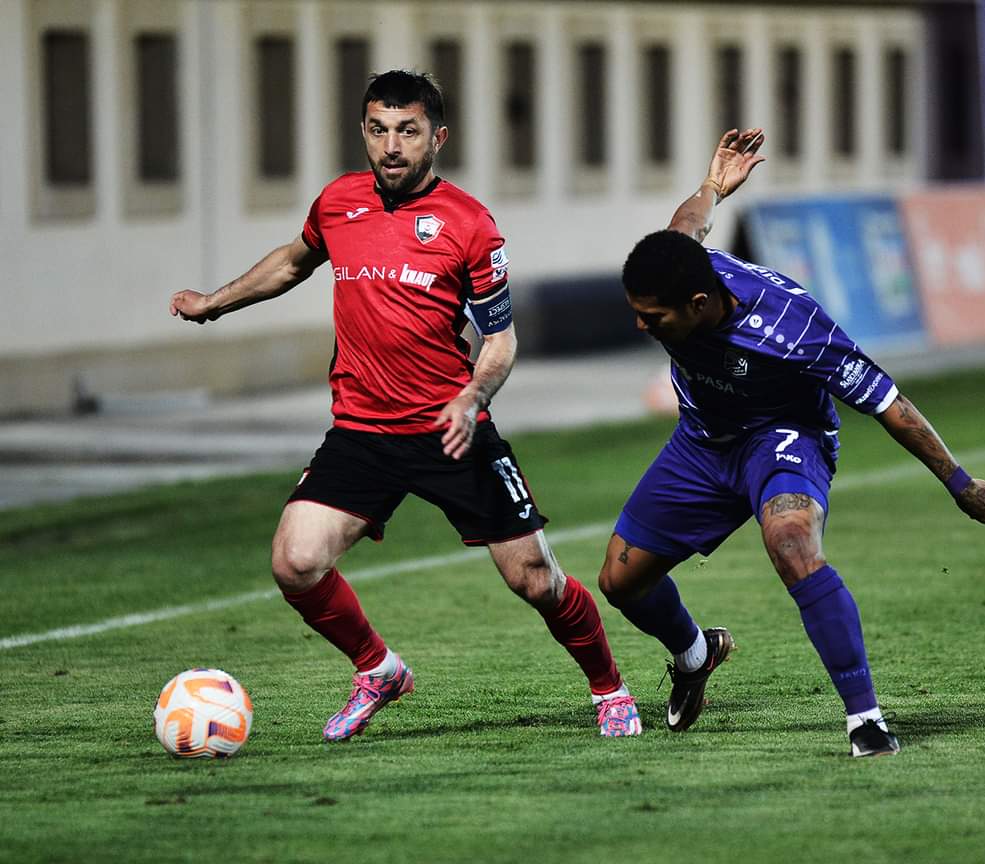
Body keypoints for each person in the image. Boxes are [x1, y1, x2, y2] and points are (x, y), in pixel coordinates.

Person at [170, 70, 641, 740]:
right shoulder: (338, 202)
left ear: (437, 138)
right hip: (362, 431)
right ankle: (378, 669)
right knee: (294, 562)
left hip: (451, 430)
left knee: (535, 579)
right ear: (364, 132)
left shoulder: (470, 224)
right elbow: (294, 261)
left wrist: (471, 397)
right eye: (378, 129)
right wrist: (214, 303)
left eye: (408, 131)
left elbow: (501, 340)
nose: (391, 146)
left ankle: (610, 689)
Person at [597, 128, 985, 756]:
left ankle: (865, 720)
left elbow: (890, 403)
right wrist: (714, 184)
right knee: (619, 582)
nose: (640, 325)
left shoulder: (793, 329)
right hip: (702, 441)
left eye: (652, 317)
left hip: (782, 439)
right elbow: (689, 222)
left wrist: (959, 482)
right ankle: (694, 654)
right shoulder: (684, 268)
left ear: (697, 303)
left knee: (791, 543)